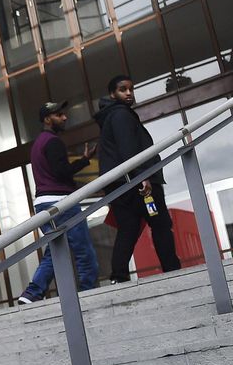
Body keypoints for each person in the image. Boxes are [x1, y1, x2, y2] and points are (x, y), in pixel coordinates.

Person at [95, 75, 181, 283]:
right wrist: (142, 176)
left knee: (129, 227)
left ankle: (119, 276)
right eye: (123, 89)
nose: (128, 93)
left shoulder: (111, 117)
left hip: (123, 185)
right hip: (139, 183)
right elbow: (129, 148)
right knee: (160, 223)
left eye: (131, 89)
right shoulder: (121, 115)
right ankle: (173, 270)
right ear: (112, 94)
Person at [18, 101, 100, 304]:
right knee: (83, 249)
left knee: (55, 251)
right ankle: (89, 293)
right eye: (58, 115)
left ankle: (31, 294)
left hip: (43, 203)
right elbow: (62, 172)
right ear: (47, 119)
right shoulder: (53, 142)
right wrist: (83, 161)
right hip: (61, 202)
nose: (64, 118)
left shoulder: (38, 143)